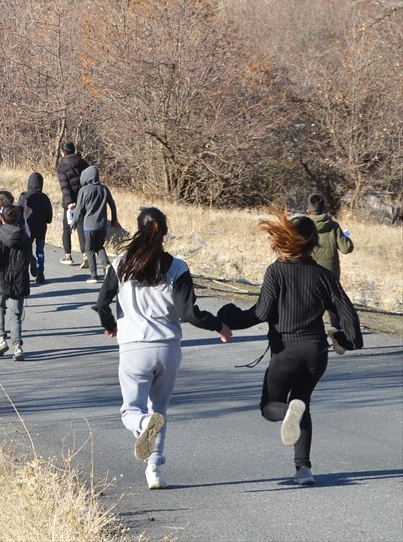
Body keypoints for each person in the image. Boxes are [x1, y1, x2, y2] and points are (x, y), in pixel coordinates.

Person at [218, 211, 362, 487]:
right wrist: (348, 340)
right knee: (301, 402)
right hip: (315, 352)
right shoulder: (324, 276)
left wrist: (229, 315)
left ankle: (289, 416)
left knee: (270, 406)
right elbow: (348, 315)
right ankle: (303, 469)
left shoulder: (276, 271)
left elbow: (260, 313)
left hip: (286, 351)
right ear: (313, 243)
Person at [94, 207, 231, 490]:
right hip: (168, 347)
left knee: (131, 410)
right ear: (165, 232)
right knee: (160, 409)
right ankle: (154, 469)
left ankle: (143, 425)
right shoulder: (177, 267)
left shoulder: (119, 263)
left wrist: (110, 324)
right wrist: (218, 326)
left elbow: (102, 302)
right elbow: (189, 313)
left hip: (134, 346)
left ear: (138, 229)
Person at [305, 193, 355, 351]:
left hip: (308, 270)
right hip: (330, 271)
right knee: (332, 302)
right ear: (325, 208)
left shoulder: (304, 226)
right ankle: (336, 331)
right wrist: (346, 237)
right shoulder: (333, 226)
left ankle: (312, 336)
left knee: (311, 302)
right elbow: (346, 248)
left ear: (308, 210)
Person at [0, 204, 32, 361]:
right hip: (19, 279)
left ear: (1, 218)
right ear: (17, 218)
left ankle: (0, 339)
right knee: (16, 315)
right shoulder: (24, 236)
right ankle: (17, 347)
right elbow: (29, 257)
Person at [72, 165, 118, 283]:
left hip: (89, 225)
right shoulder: (104, 189)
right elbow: (112, 206)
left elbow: (79, 209)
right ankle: (106, 264)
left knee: (89, 249)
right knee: (99, 246)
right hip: (102, 225)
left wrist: (74, 222)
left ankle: (94, 275)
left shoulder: (84, 190)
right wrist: (114, 221)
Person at [57, 142, 90, 266]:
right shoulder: (83, 163)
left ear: (63, 152)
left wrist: (69, 201)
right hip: (83, 198)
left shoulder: (62, 166)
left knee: (67, 227)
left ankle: (68, 256)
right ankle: (85, 254)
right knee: (81, 225)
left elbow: (64, 186)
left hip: (70, 201)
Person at [18, 172, 54, 284]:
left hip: (27, 228)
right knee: (40, 251)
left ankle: (24, 274)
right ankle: (40, 273)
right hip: (41, 228)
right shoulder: (44, 198)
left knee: (25, 250)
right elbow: (49, 217)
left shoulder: (24, 196)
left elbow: (18, 212)